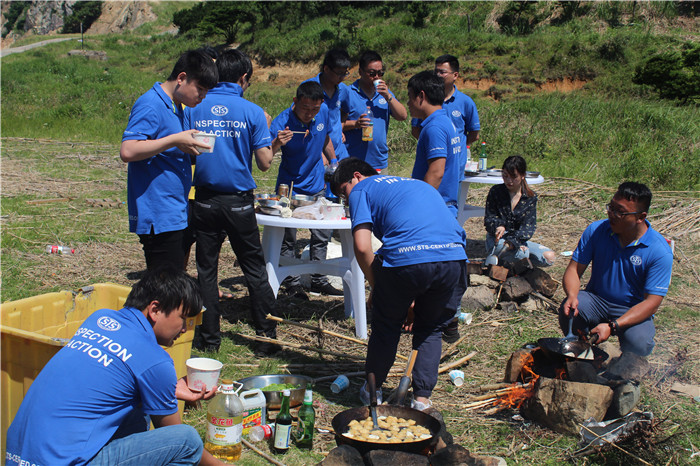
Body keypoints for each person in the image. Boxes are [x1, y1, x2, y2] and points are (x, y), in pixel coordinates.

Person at [5, 267, 229, 466]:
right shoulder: (155, 360)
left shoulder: (100, 319)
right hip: (64, 461)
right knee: (187, 439)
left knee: (137, 412)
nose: (185, 329)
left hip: (18, 456)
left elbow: (112, 378)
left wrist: (167, 388)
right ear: (155, 310)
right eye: (184, 318)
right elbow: (176, 437)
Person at [329, 158, 468, 411]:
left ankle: (373, 392)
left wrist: (378, 288)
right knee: (431, 328)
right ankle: (422, 401)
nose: (346, 201)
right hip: (453, 258)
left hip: (408, 259)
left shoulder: (361, 189)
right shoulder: (418, 185)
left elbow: (361, 246)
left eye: (342, 192)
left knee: (386, 325)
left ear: (356, 177)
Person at [183, 49, 281, 355]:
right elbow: (264, 163)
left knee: (206, 271)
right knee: (254, 269)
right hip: (238, 203)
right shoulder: (253, 112)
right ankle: (266, 336)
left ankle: (209, 338)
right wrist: (273, 141)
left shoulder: (195, 106)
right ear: (243, 78)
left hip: (205, 201)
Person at [120, 49, 218, 272]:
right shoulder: (150, 104)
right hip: (158, 211)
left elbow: (164, 146)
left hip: (173, 208)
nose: (202, 97)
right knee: (164, 287)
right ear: (182, 78)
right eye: (200, 89)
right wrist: (174, 140)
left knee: (168, 284)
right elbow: (128, 150)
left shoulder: (175, 105)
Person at [560, 182, 673, 356]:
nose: (612, 215)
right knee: (571, 310)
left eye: (620, 212)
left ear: (641, 217)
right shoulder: (597, 230)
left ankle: (626, 372)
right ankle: (581, 353)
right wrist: (572, 295)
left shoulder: (658, 250)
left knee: (640, 341)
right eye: (611, 207)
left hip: (632, 308)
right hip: (596, 300)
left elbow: (652, 303)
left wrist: (613, 326)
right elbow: (574, 269)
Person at [270, 81, 342, 298]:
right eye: (305, 108)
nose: (310, 113)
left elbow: (326, 138)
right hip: (289, 189)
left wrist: (333, 160)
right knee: (288, 238)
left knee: (321, 235)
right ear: (295, 101)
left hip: (317, 186)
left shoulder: (324, 112)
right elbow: (265, 156)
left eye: (315, 109)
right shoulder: (282, 123)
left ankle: (318, 279)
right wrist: (276, 143)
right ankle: (292, 283)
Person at [411, 54, 480, 178]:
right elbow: (415, 130)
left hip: (455, 166)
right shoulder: (426, 101)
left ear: (455, 75)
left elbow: (474, 134)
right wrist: (434, 144)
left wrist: (453, 146)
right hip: (431, 162)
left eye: (442, 72)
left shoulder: (466, 102)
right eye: (435, 71)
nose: (437, 75)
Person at [407, 70, 462, 218]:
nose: (408, 103)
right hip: (444, 205)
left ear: (421, 96)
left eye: (410, 97)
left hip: (435, 208)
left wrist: (420, 205)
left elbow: (436, 172)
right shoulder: (445, 121)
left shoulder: (434, 127)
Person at [340, 50, 407, 172]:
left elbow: (402, 116)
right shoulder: (348, 93)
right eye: (372, 73)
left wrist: (388, 96)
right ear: (360, 72)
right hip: (353, 161)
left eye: (380, 73)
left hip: (379, 161)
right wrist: (355, 124)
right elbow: (336, 126)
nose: (376, 77)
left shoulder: (385, 93)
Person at [483, 155, 555, 267]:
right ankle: (516, 264)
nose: (509, 181)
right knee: (522, 254)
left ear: (523, 176)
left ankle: (513, 262)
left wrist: (515, 242)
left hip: (517, 240)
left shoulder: (530, 197)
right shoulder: (496, 192)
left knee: (548, 257)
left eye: (513, 177)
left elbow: (528, 227)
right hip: (497, 240)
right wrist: (499, 226)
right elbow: (489, 218)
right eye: (505, 176)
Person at [303, 48, 351, 163]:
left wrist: (341, 127)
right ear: (326, 69)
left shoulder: (343, 90)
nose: (342, 77)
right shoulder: (309, 88)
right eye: (339, 73)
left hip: (340, 152)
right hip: (317, 154)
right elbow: (300, 119)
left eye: (345, 73)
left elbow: (345, 111)